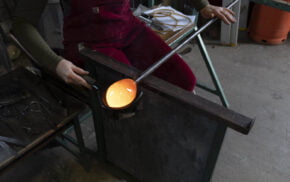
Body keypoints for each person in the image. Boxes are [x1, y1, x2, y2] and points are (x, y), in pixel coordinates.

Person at [11, 0, 235, 91]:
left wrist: (203, 5)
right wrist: (55, 63)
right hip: (87, 45)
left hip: (128, 29)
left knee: (185, 82)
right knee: (129, 95)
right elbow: (22, 24)